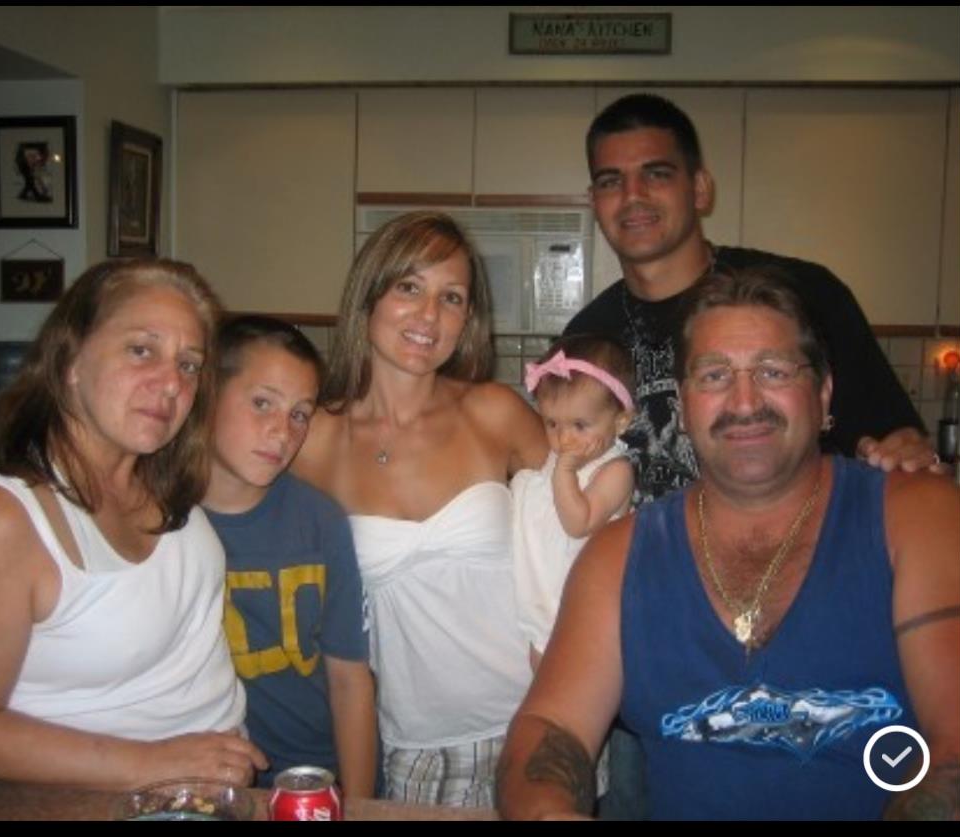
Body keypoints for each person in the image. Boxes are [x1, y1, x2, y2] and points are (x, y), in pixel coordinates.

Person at [496, 266, 960, 820]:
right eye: (714, 375)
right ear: (684, 406)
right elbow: (551, 728)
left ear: (823, 392)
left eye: (772, 370)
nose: (744, 401)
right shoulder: (617, 558)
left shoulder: (916, 518)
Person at [0, 258, 268, 790]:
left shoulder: (159, 471)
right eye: (141, 350)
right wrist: (155, 765)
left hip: (207, 788)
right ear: (71, 358)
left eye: (189, 364)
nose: (171, 382)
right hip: (85, 798)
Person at [566, 92, 940, 506]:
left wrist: (904, 453)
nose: (633, 195)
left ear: (701, 189)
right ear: (594, 202)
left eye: (657, 174)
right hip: (638, 564)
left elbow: (896, 448)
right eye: (611, 181)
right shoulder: (583, 338)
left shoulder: (804, 295)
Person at [293, 210, 548, 807]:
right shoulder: (314, 438)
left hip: (537, 717)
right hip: (412, 741)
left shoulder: (495, 412)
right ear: (370, 293)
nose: (429, 316)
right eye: (409, 287)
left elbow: (582, 530)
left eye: (451, 297)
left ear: (469, 318)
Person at [201, 314, 377, 797]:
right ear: (206, 396)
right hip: (211, 781)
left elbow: (349, 680)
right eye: (262, 403)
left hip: (319, 776)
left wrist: (357, 804)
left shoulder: (322, 522)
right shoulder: (163, 522)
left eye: (300, 413)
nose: (282, 431)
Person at [512, 333, 636, 669]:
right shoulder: (562, 455)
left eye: (580, 425)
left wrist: (564, 471)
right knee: (542, 680)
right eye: (552, 423)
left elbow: (578, 523)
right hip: (545, 597)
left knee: (576, 683)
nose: (564, 438)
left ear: (620, 421)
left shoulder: (615, 471)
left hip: (584, 607)